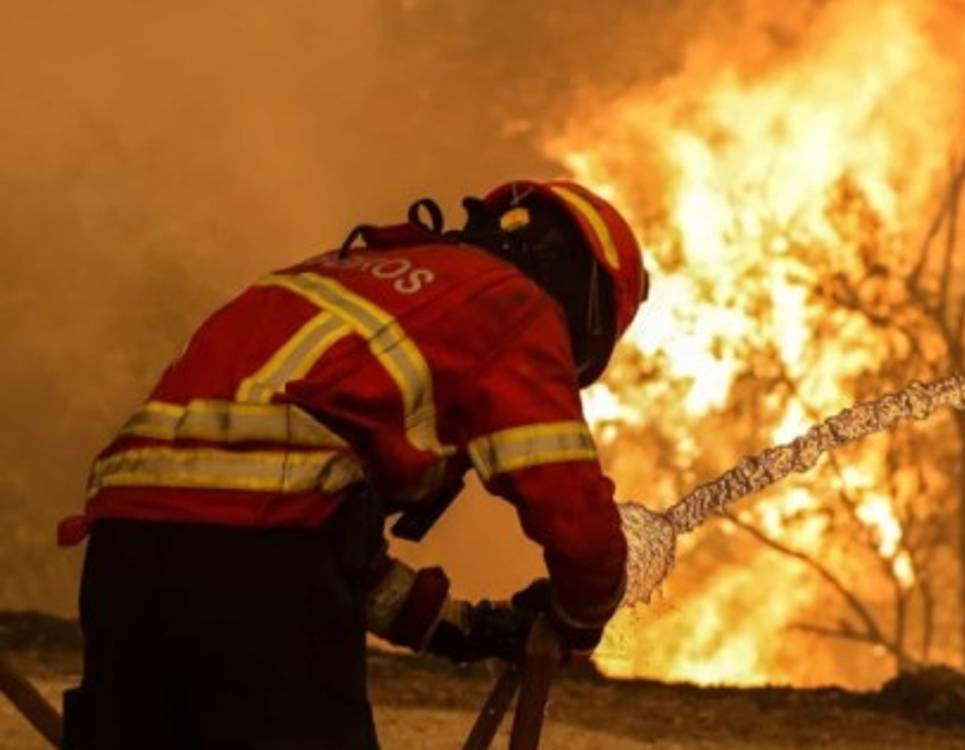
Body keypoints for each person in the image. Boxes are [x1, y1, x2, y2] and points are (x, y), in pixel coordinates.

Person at [57, 180, 649, 749]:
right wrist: (582, 611)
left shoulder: (338, 275)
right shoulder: (512, 304)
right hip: (260, 565)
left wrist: (458, 627)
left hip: (122, 550)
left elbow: (309, 532)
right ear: (588, 302)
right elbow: (570, 507)